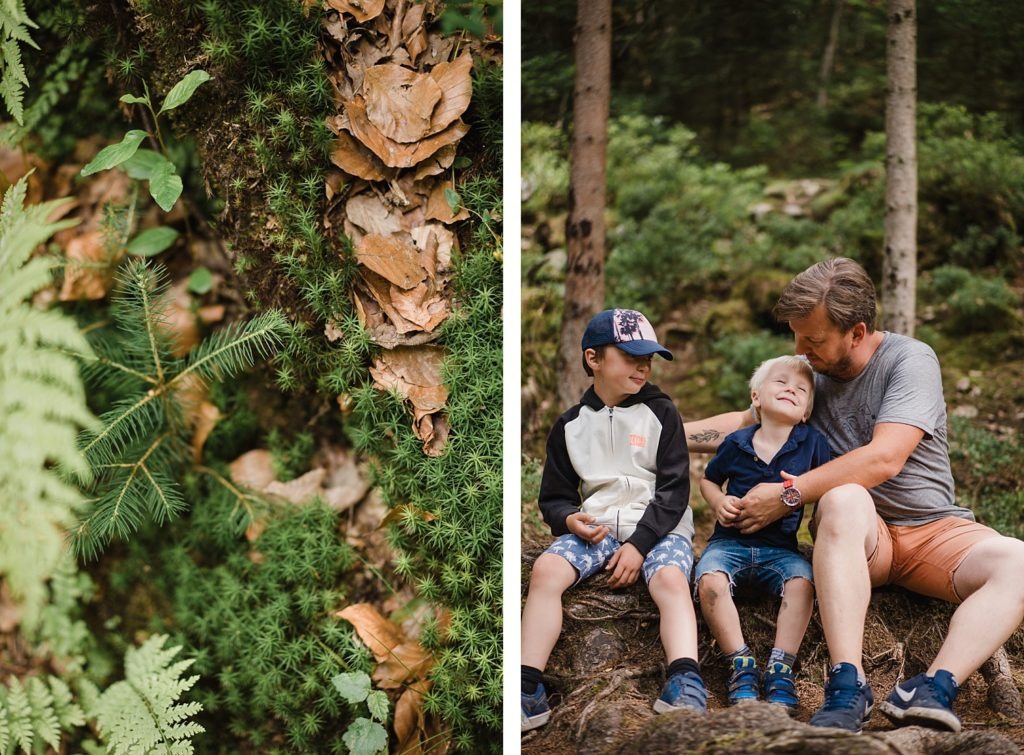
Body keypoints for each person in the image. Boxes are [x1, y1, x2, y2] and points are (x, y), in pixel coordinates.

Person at [684, 257, 1024, 734]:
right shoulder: (809, 378)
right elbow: (744, 423)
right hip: (862, 537)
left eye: (814, 339)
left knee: (1019, 562)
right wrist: (662, 434)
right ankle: (848, 683)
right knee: (844, 497)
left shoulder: (909, 360)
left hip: (935, 532)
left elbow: (885, 457)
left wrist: (787, 494)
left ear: (857, 331)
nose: (801, 350)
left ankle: (933, 687)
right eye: (796, 336)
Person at [521, 308, 705, 733]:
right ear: (593, 358)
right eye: (629, 356)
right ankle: (527, 687)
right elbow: (554, 497)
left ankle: (685, 679)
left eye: (649, 358)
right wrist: (570, 520)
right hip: (599, 526)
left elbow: (675, 490)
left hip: (660, 527)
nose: (643, 366)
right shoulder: (570, 426)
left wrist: (640, 545)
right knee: (547, 569)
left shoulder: (661, 414)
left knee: (671, 580)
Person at [695, 355, 830, 712]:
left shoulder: (812, 444)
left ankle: (781, 666)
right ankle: (739, 663)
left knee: (803, 584)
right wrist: (718, 501)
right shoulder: (737, 442)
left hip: (781, 550)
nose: (791, 389)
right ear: (756, 397)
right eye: (781, 382)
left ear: (805, 412)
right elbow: (708, 479)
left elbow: (826, 486)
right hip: (728, 543)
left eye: (801, 389)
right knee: (709, 581)